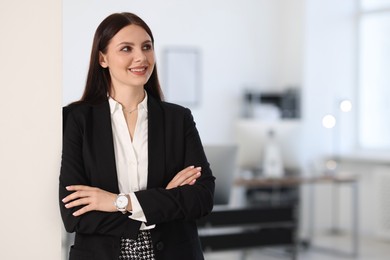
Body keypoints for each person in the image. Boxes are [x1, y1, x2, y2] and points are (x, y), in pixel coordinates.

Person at [59, 12, 215, 260]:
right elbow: (74, 213)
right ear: (102, 58)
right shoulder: (75, 119)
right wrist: (164, 201)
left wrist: (117, 202)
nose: (141, 57)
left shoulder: (178, 118)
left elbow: (201, 198)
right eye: (126, 49)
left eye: (146, 47)